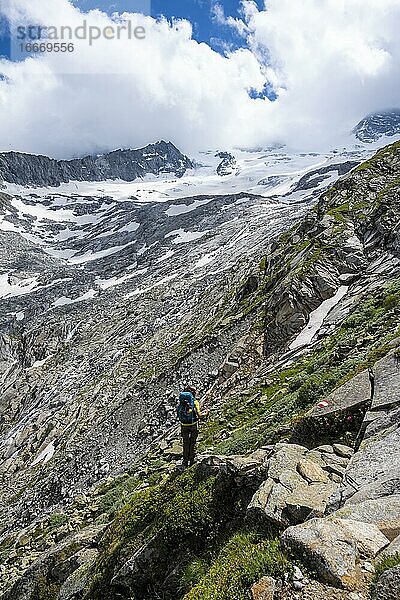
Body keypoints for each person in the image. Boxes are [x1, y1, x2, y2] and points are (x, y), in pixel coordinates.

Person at [177, 386, 208, 468]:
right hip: (193, 424)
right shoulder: (195, 402)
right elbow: (200, 415)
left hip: (184, 425)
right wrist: (206, 413)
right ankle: (191, 461)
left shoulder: (181, 403)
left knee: (186, 443)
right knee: (193, 442)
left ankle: (185, 461)